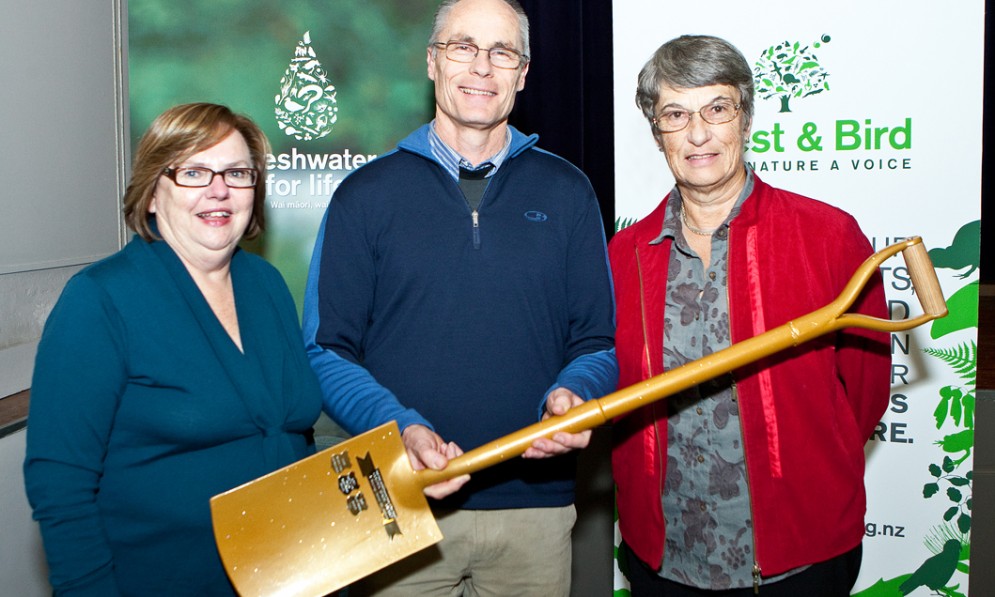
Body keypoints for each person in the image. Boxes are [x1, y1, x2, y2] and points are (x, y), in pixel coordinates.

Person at [303, 0, 617, 594]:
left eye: (502, 52)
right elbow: (326, 349)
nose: (482, 67)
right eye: (462, 47)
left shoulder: (569, 191)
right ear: (431, 61)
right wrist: (398, 427)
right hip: (401, 506)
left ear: (523, 73)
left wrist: (580, 393)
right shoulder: (363, 196)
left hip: (537, 514)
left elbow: (597, 341)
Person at [609, 35, 890, 596]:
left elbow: (863, 392)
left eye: (717, 109)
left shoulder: (828, 237)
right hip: (666, 561)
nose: (697, 134)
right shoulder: (623, 258)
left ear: (745, 115)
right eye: (675, 115)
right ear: (656, 131)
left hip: (802, 558)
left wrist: (800, 467)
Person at [23, 103, 323, 596]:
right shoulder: (101, 299)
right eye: (194, 171)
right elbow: (61, 485)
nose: (219, 188)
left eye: (236, 172)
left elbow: (292, 437)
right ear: (152, 194)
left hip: (290, 574)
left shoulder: (266, 284)